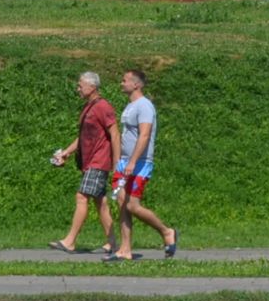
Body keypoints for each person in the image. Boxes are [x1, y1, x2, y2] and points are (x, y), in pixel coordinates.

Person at [110, 68, 178, 261]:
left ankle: (166, 232)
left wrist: (132, 162)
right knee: (122, 204)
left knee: (132, 206)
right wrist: (120, 162)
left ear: (136, 84)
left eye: (124, 80)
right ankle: (125, 250)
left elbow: (145, 135)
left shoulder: (144, 106)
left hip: (139, 164)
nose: (121, 83)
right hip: (125, 163)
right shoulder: (130, 106)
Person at [47, 70, 118, 253]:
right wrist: (66, 153)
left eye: (80, 85)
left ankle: (70, 241)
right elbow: (84, 136)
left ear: (92, 87)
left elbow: (115, 134)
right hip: (90, 161)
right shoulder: (88, 107)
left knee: (82, 197)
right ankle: (112, 242)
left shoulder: (103, 107)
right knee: (100, 202)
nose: (77, 88)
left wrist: (117, 162)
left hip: (98, 161)